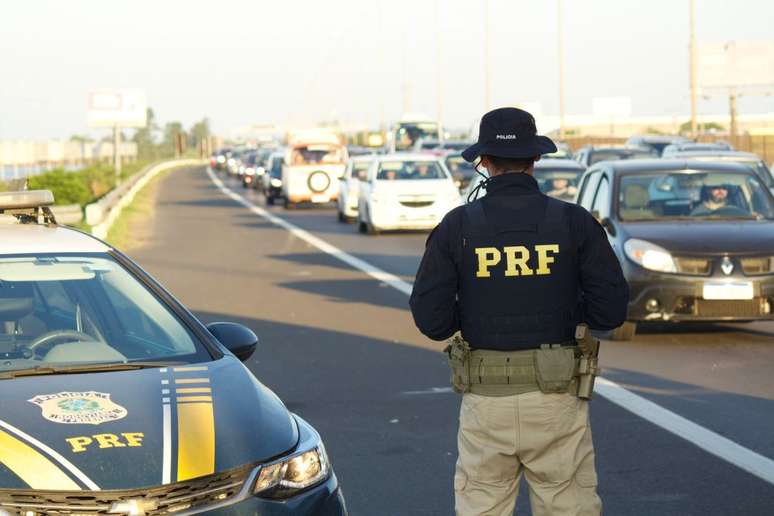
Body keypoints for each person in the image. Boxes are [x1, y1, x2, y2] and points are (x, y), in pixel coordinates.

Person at [409, 107, 629, 516]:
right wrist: (566, 308)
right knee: (568, 504)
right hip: (557, 398)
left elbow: (431, 320)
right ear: (535, 158)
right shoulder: (574, 222)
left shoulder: (457, 226)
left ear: (483, 161)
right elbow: (611, 311)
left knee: (482, 504)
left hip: (486, 401)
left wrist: (474, 311)